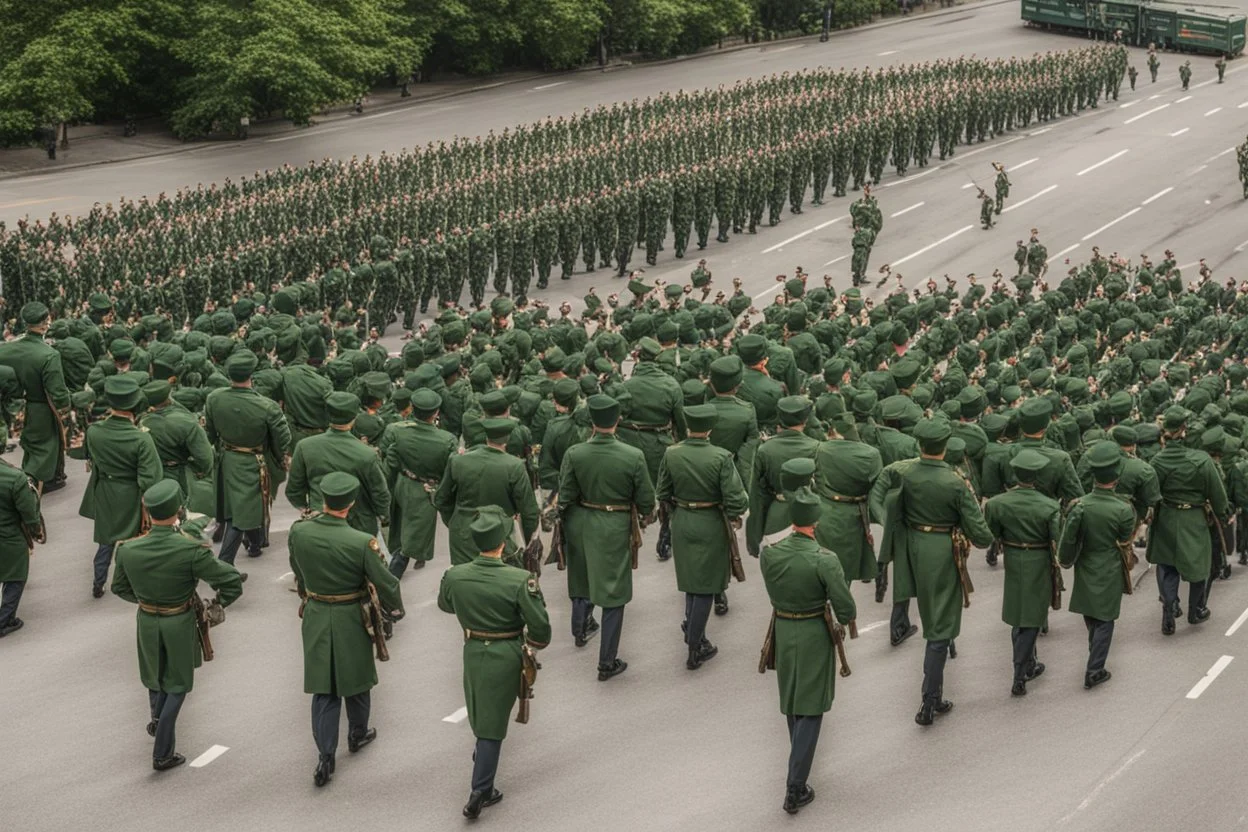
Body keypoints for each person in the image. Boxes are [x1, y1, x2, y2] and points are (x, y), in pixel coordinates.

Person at [111, 480, 244, 770]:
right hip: (179, 620)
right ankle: (162, 751)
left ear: (147, 511)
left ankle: (157, 718)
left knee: (154, 675)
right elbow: (230, 579)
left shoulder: (128, 549)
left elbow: (119, 588)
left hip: (146, 618)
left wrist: (147, 600)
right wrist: (220, 602)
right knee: (179, 684)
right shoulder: (190, 549)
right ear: (178, 511)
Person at [289, 472, 404, 787]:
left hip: (315, 611)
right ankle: (357, 733)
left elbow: (297, 568)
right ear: (351, 504)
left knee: (324, 687)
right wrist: (396, 608)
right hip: (351, 613)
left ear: (324, 500)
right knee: (357, 677)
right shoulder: (360, 541)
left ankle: (325, 756)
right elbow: (386, 582)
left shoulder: (299, 532)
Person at [437, 508, 551, 819]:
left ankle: (482, 766)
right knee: (492, 726)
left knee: (482, 710)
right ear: (502, 543)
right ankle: (480, 790)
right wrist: (532, 645)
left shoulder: (455, 575)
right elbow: (540, 627)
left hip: (473, 649)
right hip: (507, 650)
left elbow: (445, 604)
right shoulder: (519, 579)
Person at [885, 419, 993, 726]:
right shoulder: (954, 481)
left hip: (912, 547)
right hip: (942, 551)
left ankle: (935, 690)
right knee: (939, 630)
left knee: (935, 624)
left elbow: (884, 490)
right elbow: (980, 534)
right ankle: (929, 700)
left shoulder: (904, 472)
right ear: (944, 448)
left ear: (920, 445)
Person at [759, 486, 856, 815]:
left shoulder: (770, 553)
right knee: (811, 707)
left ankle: (797, 761)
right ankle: (795, 785)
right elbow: (845, 607)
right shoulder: (824, 559)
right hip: (814, 630)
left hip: (784, 629)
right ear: (815, 523)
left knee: (793, 702)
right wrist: (846, 617)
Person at [558, 394, 656, 680]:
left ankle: (580, 627)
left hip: (582, 519)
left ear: (591, 422)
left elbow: (565, 495)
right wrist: (646, 514)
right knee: (614, 594)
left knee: (582, 576)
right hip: (614, 522)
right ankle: (606, 661)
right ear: (618, 421)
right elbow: (646, 498)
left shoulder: (575, 453)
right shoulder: (632, 455)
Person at [655, 403, 748, 669]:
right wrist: (732, 513)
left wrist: (678, 510)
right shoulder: (721, 457)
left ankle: (695, 632)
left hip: (683, 519)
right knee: (706, 586)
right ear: (709, 428)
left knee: (691, 582)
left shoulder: (672, 454)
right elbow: (736, 499)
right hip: (711, 521)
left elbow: (662, 491)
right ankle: (695, 645)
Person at [1058, 442, 1137, 689]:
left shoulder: (1078, 505)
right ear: (1116, 477)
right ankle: (1095, 669)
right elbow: (1125, 538)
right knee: (1106, 617)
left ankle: (1096, 653)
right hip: (1110, 564)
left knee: (1092, 613)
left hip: (1085, 563)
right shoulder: (1124, 508)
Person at [983, 450, 1061, 696]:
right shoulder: (1049, 506)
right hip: (1038, 558)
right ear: (1037, 476)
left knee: (1018, 614)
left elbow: (991, 535)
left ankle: (1029, 663)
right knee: (1033, 618)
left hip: (1013, 558)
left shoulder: (997, 504)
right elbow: (1057, 538)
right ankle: (1020, 673)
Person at [1147, 407, 1230, 634]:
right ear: (1184, 429)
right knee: (1199, 567)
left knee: (1166, 564)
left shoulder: (1156, 461)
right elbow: (1217, 495)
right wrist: (1223, 515)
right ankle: (1196, 610)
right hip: (1194, 517)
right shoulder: (1201, 460)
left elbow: (1152, 494)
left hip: (1166, 516)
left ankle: (1170, 604)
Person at [204, 351, 291, 566]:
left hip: (226, 459)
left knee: (247, 507)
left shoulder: (214, 398)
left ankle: (254, 544)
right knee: (241, 515)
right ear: (252, 374)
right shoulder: (267, 406)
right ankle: (224, 564)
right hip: (254, 461)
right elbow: (283, 438)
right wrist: (280, 458)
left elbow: (210, 434)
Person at [79, 376, 163, 598]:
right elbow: (150, 478)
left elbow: (88, 456)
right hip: (131, 493)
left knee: (106, 541)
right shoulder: (141, 439)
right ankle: (132, 583)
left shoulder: (94, 431)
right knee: (134, 540)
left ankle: (98, 582)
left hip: (105, 490)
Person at [434, 417, 539, 566]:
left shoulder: (457, 460)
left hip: (464, 535)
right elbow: (529, 512)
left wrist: (456, 521)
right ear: (507, 439)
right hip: (500, 535)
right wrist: (530, 543)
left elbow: (441, 499)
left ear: (486, 436)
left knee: (466, 581)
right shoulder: (514, 465)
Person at [286, 391, 391, 536]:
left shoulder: (305, 446)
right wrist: (384, 516)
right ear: (355, 417)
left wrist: (306, 509)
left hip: (319, 520)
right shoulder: (366, 454)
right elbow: (380, 493)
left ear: (328, 414)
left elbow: (294, 490)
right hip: (358, 526)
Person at [383, 389, 458, 577]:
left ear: (412, 409)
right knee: (411, 541)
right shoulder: (446, 440)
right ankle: (390, 582)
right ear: (436, 413)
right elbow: (451, 472)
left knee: (400, 529)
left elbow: (389, 461)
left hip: (403, 483)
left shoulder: (397, 431)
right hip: (426, 490)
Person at [0, 302, 72, 492]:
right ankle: (32, 484)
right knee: (44, 446)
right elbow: (57, 391)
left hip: (12, 405)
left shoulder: (5, 349)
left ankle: (45, 478)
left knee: (30, 443)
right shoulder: (49, 355)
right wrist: (65, 408)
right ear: (45, 323)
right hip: (40, 406)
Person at [0, 457, 43, 637]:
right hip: (9, 536)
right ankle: (4, 620)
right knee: (16, 577)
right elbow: (29, 512)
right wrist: (36, 531)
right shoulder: (14, 478)